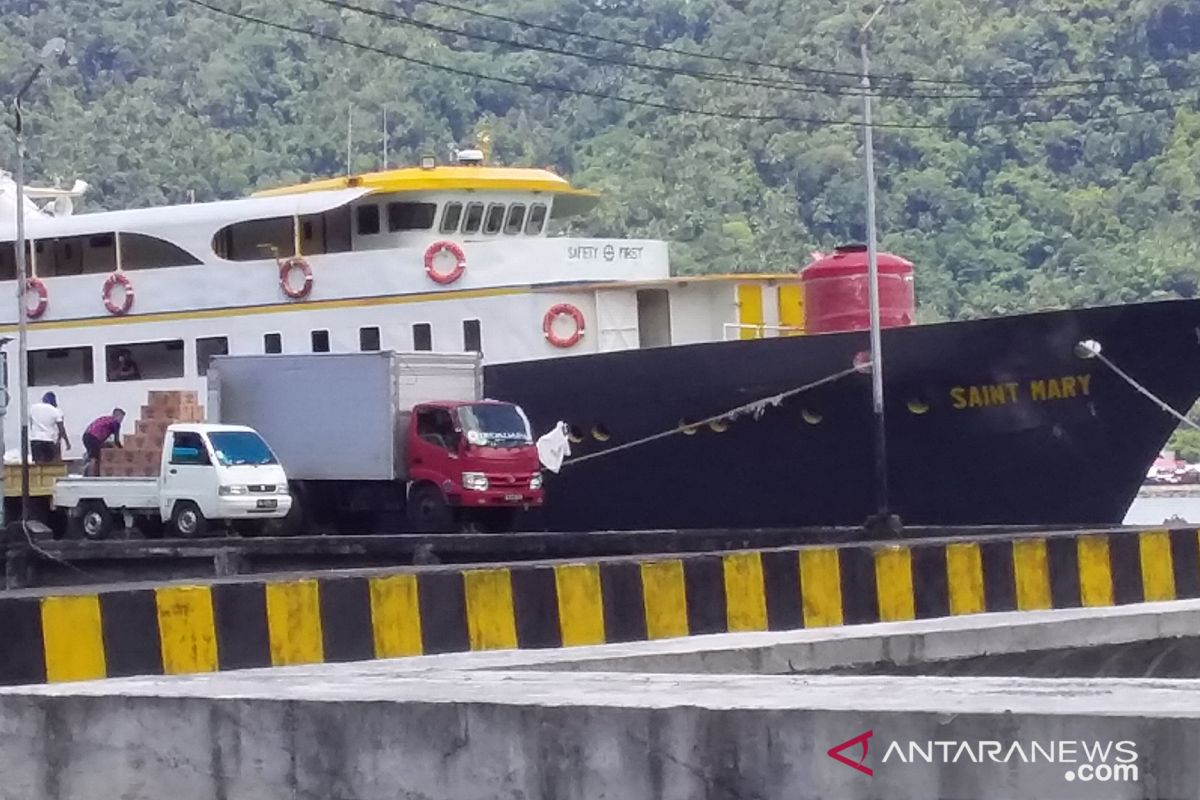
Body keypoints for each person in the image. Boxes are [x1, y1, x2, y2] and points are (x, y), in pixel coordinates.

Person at [82, 408, 126, 476]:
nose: (121, 420)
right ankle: (92, 476)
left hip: (86, 436)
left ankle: (93, 472)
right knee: (95, 457)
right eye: (121, 418)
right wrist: (123, 451)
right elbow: (116, 441)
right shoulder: (115, 422)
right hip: (93, 438)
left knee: (98, 453)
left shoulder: (106, 419)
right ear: (116, 415)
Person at [29, 391, 70, 463]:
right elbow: (61, 429)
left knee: (38, 463)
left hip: (35, 439)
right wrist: (67, 442)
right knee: (50, 463)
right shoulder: (56, 411)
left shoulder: (33, 408)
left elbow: (31, 423)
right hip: (48, 440)